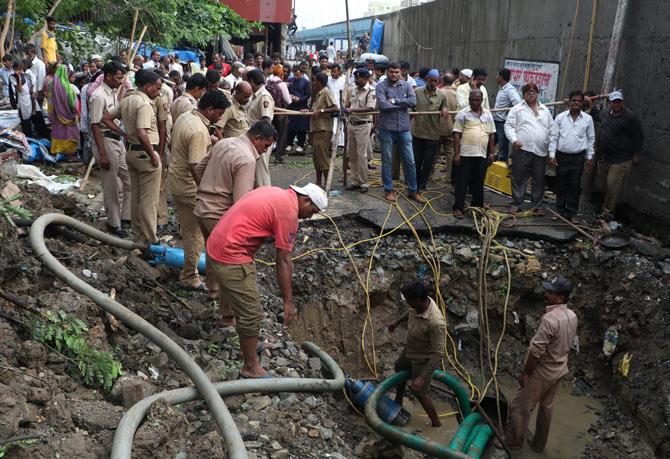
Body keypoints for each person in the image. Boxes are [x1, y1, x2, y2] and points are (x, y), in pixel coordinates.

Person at [207, 183, 327, 378]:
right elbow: (284, 261)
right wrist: (288, 301)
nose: (310, 216)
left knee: (235, 285)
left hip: (217, 243)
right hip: (230, 254)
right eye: (312, 210)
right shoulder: (288, 213)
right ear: (305, 200)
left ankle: (230, 323)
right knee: (251, 313)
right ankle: (250, 367)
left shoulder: (274, 192)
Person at [194, 121, 277, 315]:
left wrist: (209, 190)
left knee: (213, 254)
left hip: (201, 208)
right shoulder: (247, 158)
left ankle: (211, 290)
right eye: (265, 146)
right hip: (219, 215)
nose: (265, 151)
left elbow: (198, 170)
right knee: (232, 266)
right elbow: (241, 203)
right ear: (256, 138)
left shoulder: (223, 143)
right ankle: (227, 316)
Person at [505, 276, 578, 452]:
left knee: (521, 407)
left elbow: (536, 351)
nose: (546, 293)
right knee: (546, 408)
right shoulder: (572, 315)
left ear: (560, 297)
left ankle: (513, 443)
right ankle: (538, 445)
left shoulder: (550, 319)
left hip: (542, 372)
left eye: (550, 292)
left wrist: (525, 373)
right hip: (559, 370)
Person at [168, 89, 230, 290]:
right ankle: (190, 276)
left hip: (178, 181)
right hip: (189, 187)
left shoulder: (185, 117)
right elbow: (195, 165)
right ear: (210, 109)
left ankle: (189, 272)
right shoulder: (198, 130)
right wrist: (206, 193)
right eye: (219, 113)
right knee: (195, 235)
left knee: (188, 231)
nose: (220, 118)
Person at [388, 281, 446, 428]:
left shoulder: (435, 322)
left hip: (423, 358)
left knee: (419, 391)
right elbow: (410, 312)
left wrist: (421, 377)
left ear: (418, 300)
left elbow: (438, 353)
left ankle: (436, 424)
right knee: (399, 366)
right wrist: (397, 322)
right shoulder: (417, 306)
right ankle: (399, 400)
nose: (408, 303)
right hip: (411, 350)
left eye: (409, 301)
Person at [119, 69, 163, 245]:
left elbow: (106, 118)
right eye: (157, 88)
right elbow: (142, 133)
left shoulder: (127, 100)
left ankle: (138, 238)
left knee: (136, 199)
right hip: (145, 153)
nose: (158, 91)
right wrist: (153, 156)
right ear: (148, 86)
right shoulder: (144, 104)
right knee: (149, 202)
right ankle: (151, 240)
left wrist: (123, 133)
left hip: (132, 152)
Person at [89, 61, 131, 236]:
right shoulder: (99, 96)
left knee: (129, 180)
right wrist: (103, 154)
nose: (122, 81)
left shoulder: (113, 92)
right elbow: (95, 125)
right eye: (119, 78)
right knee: (112, 185)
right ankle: (113, 224)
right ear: (108, 76)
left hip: (116, 141)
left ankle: (125, 217)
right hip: (105, 142)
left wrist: (122, 133)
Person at [375, 62, 425, 203]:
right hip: (387, 129)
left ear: (400, 73)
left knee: (410, 161)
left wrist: (395, 101)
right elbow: (383, 105)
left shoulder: (407, 85)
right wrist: (401, 104)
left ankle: (413, 191)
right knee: (387, 161)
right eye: (391, 72)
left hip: (404, 128)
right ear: (387, 72)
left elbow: (413, 101)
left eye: (397, 72)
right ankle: (388, 190)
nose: (394, 74)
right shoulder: (380, 86)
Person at [504, 83, 553, 215]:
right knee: (518, 178)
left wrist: (551, 149)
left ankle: (537, 206)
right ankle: (516, 204)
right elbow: (508, 126)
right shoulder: (517, 109)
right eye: (527, 91)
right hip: (521, 149)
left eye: (533, 91)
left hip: (540, 150)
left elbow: (551, 129)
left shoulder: (545, 110)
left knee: (539, 179)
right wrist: (514, 140)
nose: (531, 93)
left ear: (538, 93)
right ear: (523, 94)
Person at [548, 90, 595, 223]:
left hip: (578, 158)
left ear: (582, 103)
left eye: (579, 101)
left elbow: (591, 139)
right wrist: (552, 155)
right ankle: (559, 210)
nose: (576, 103)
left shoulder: (587, 119)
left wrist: (590, 157)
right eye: (574, 100)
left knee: (574, 185)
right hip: (561, 156)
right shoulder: (560, 117)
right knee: (561, 183)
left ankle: (572, 212)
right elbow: (554, 137)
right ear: (569, 102)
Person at [595, 90, 643, 220]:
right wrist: (590, 100)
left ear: (622, 102)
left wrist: (636, 154)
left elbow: (638, 136)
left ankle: (607, 213)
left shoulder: (630, 117)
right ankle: (604, 210)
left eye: (618, 102)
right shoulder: (605, 114)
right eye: (613, 102)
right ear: (609, 103)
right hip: (605, 158)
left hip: (621, 158)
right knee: (603, 186)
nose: (616, 104)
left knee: (613, 186)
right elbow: (594, 113)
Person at [452, 89, 496, 219]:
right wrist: (457, 153)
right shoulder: (463, 114)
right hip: (466, 153)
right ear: (468, 100)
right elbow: (456, 134)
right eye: (472, 100)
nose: (474, 102)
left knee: (479, 182)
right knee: (462, 182)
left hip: (481, 154)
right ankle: (458, 208)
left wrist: (492, 153)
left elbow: (492, 134)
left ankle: (476, 208)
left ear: (481, 101)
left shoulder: (487, 114)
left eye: (477, 100)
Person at [412, 69, 448, 190]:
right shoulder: (417, 92)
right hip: (418, 132)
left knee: (428, 161)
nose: (433, 83)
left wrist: (444, 110)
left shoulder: (442, 95)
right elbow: (410, 107)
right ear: (427, 79)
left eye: (435, 81)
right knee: (416, 160)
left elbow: (445, 108)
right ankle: (414, 183)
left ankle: (422, 184)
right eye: (431, 80)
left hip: (432, 134)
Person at [344, 68, 376, 192]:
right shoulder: (352, 89)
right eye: (355, 78)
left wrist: (352, 110)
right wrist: (347, 109)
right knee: (351, 154)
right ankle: (355, 180)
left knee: (361, 154)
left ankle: (364, 183)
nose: (356, 80)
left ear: (366, 78)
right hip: (352, 124)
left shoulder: (370, 91)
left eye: (359, 78)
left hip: (363, 125)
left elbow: (370, 108)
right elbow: (347, 104)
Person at [307, 72, 338, 187]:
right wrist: (308, 111)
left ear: (319, 82)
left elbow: (335, 108)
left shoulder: (326, 92)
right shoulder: (317, 93)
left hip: (323, 130)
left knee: (323, 158)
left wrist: (321, 111)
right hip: (315, 129)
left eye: (314, 81)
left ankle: (327, 184)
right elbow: (313, 109)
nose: (313, 83)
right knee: (317, 158)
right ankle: (319, 182)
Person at [246, 69, 275, 186]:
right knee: (255, 172)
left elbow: (266, 121)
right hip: (255, 138)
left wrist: (261, 142)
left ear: (252, 81)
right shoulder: (255, 96)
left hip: (261, 139)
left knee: (261, 173)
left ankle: (265, 196)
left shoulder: (264, 96)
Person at [47, 64, 80, 158]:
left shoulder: (51, 85)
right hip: (68, 116)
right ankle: (70, 156)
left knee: (58, 132)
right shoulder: (67, 87)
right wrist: (76, 112)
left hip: (56, 115)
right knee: (69, 134)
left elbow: (49, 100)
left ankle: (56, 154)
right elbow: (73, 103)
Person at [493, 68, 522, 161]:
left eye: (497, 75)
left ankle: (503, 161)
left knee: (503, 146)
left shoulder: (510, 90)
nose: (496, 77)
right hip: (495, 120)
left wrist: (509, 113)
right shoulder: (502, 88)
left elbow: (517, 103)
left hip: (502, 122)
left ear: (501, 77)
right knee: (491, 142)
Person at [267, 64, 291, 164]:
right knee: (281, 135)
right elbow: (288, 101)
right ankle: (278, 157)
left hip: (269, 111)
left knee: (269, 133)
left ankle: (266, 154)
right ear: (281, 73)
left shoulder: (268, 82)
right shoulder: (282, 84)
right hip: (281, 112)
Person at [438, 73, 458, 180]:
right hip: (452, 127)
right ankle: (450, 177)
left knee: (434, 154)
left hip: (438, 127)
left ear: (442, 81)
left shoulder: (439, 92)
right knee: (450, 153)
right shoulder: (457, 93)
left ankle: (430, 175)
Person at [286, 66, 310, 154]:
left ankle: (301, 144)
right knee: (290, 126)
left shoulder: (306, 82)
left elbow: (307, 95)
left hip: (302, 106)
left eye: (298, 75)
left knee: (301, 127)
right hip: (291, 106)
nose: (296, 76)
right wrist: (291, 96)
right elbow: (286, 91)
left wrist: (300, 99)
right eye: (295, 74)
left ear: (302, 73)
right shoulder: (290, 80)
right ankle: (289, 143)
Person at [327, 63, 346, 148]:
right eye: (332, 71)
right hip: (331, 107)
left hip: (341, 106)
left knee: (340, 126)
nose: (333, 73)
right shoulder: (328, 80)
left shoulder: (344, 80)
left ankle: (340, 145)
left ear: (339, 71)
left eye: (335, 71)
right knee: (332, 127)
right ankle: (332, 144)